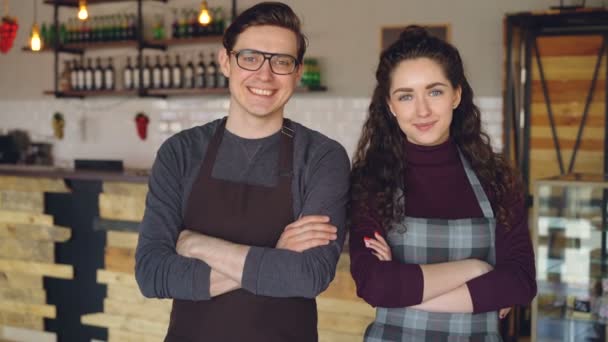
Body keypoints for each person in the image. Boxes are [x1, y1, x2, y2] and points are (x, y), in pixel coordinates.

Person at [134, 3, 350, 341]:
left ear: (297, 73)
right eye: (250, 57)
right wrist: (275, 259)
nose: (264, 75)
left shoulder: (322, 157)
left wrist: (196, 244)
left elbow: (309, 275)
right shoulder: (180, 153)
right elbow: (151, 274)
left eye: (281, 62)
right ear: (225, 61)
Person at [348, 26, 537, 341]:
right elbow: (374, 285)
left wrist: (404, 291)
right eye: (405, 96)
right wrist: (476, 270)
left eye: (434, 91)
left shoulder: (497, 179)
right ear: (391, 106)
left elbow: (520, 282)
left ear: (456, 95)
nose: (422, 110)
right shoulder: (371, 182)